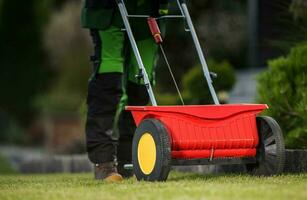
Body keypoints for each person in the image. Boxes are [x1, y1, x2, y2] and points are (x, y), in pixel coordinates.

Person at [81, 0, 169, 181]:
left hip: (149, 14)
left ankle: (129, 160)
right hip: (109, 13)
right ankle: (103, 162)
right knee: (108, 80)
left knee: (141, 84)